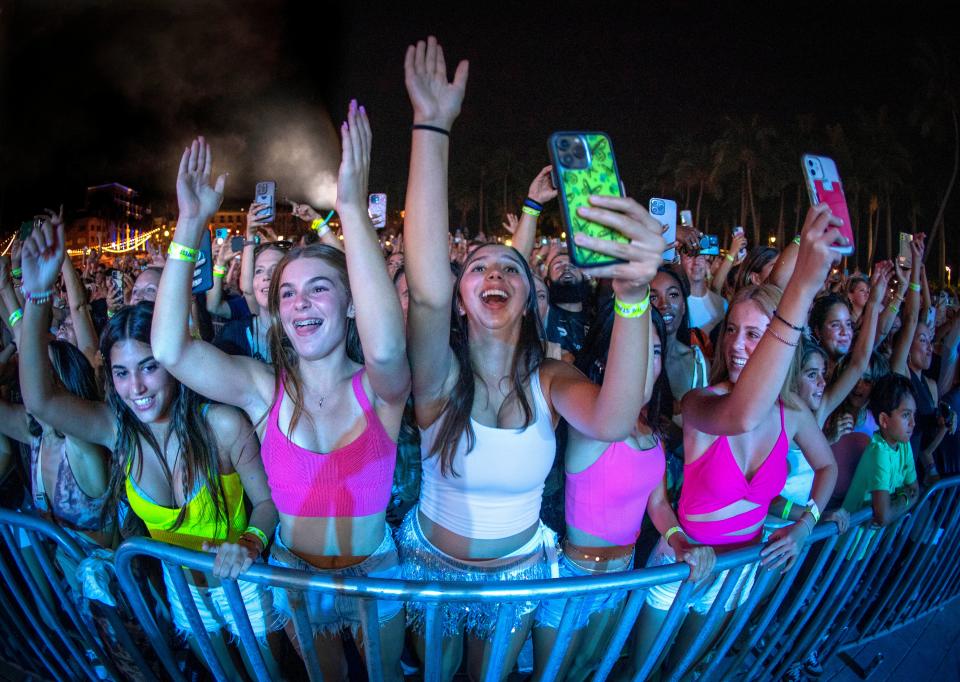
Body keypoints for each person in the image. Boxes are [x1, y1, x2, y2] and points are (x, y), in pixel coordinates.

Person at [398, 36, 663, 681]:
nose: (494, 273)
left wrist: (632, 296)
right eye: (478, 267)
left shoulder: (550, 378)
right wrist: (431, 127)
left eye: (510, 266)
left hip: (519, 576)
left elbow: (611, 419)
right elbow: (426, 287)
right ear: (461, 297)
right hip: (430, 572)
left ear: (529, 296)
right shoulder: (439, 376)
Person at [151, 105, 410, 680]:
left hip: (377, 572)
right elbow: (170, 351)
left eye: (320, 289)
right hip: (293, 573)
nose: (300, 303)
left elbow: (388, 348)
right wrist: (189, 227)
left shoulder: (380, 387)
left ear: (349, 304)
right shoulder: (262, 388)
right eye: (289, 292)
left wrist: (350, 212)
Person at [17, 221, 280, 668]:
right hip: (183, 594)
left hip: (245, 586)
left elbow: (267, 502)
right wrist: (37, 294)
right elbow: (40, 399)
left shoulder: (221, 424)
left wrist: (251, 542)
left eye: (149, 367)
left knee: (266, 674)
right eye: (121, 373)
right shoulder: (117, 433)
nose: (135, 386)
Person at [626, 204, 842, 676]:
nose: (739, 346)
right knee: (640, 673)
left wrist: (806, 522)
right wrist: (802, 283)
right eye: (733, 333)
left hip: (738, 571)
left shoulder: (794, 415)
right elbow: (743, 416)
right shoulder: (701, 403)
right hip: (680, 565)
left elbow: (828, 468)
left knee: (687, 670)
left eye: (755, 336)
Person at [533, 308, 715, 681]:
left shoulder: (651, 431)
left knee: (587, 669)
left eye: (655, 351)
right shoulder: (593, 422)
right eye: (635, 349)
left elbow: (659, 504)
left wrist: (679, 542)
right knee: (551, 676)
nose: (646, 362)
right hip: (573, 577)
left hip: (623, 574)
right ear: (607, 357)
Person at [842, 374, 919, 527]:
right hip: (847, 543)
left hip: (867, 542)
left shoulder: (904, 444)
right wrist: (904, 497)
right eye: (906, 415)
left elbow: (915, 490)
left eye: (913, 414)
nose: (913, 423)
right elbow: (883, 516)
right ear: (884, 420)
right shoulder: (879, 453)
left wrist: (899, 501)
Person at [649, 265, 710, 409]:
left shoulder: (698, 364)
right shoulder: (628, 362)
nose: (665, 305)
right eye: (653, 297)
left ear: (683, 306)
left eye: (673, 295)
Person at [681, 248, 726, 337]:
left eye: (700, 257)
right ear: (681, 260)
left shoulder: (722, 303)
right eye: (690, 256)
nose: (696, 262)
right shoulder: (676, 304)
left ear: (706, 259)